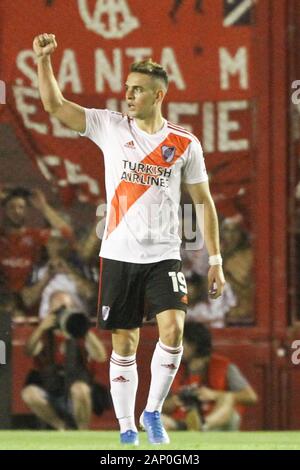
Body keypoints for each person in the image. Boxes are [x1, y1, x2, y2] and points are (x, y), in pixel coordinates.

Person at [33, 32, 226, 445]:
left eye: (137, 89)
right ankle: (126, 430)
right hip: (119, 254)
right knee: (125, 342)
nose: (128, 95)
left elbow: (204, 202)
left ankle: (153, 411)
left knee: (173, 329)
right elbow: (54, 106)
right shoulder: (108, 125)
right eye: (126, 88)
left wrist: (215, 260)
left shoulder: (184, 143)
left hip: (164, 257)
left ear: (158, 95)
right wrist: (44, 62)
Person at [22, 291, 110, 430]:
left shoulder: (80, 332)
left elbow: (101, 356)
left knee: (80, 389)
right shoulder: (44, 333)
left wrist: (81, 328)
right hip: (51, 392)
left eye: (65, 308)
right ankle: (61, 428)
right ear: (49, 311)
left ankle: (82, 432)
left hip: (78, 392)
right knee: (29, 393)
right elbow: (29, 351)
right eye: (57, 310)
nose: (61, 313)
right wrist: (41, 327)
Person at [162, 322, 258, 431]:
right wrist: (173, 402)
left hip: (216, 423)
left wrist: (214, 395)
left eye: (182, 343)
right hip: (182, 422)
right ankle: (187, 426)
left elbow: (251, 397)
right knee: (153, 419)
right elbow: (161, 407)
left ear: (194, 345)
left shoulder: (224, 366)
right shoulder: (173, 368)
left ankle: (202, 425)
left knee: (227, 398)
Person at [0, 187, 73, 315]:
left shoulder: (35, 236)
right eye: (12, 207)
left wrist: (44, 207)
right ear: (4, 210)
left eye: (21, 207)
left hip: (31, 302)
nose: (16, 211)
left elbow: (67, 235)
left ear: (27, 211)